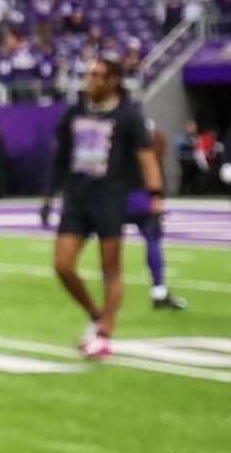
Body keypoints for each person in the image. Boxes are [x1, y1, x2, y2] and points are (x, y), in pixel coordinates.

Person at [41, 58, 169, 359]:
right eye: (87, 74)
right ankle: (96, 313)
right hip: (76, 196)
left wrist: (155, 194)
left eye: (97, 75)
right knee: (62, 265)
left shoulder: (128, 116)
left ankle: (106, 329)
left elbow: (146, 158)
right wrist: (48, 196)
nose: (90, 80)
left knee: (110, 267)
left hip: (110, 197)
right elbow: (59, 159)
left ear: (113, 80)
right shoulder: (73, 113)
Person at [123, 120, 186, 311]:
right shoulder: (137, 124)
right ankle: (159, 291)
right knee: (152, 239)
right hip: (140, 193)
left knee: (110, 242)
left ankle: (112, 294)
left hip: (116, 193)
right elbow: (153, 155)